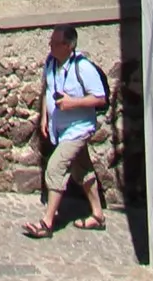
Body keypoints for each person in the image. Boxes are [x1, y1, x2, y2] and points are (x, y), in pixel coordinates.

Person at [25, 22, 109, 236]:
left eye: (55, 43)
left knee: (55, 168)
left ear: (68, 46)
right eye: (50, 41)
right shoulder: (51, 63)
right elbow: (48, 90)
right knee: (82, 170)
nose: (51, 46)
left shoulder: (83, 68)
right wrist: (44, 116)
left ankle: (47, 223)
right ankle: (98, 215)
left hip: (78, 129)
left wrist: (73, 103)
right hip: (61, 129)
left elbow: (100, 98)